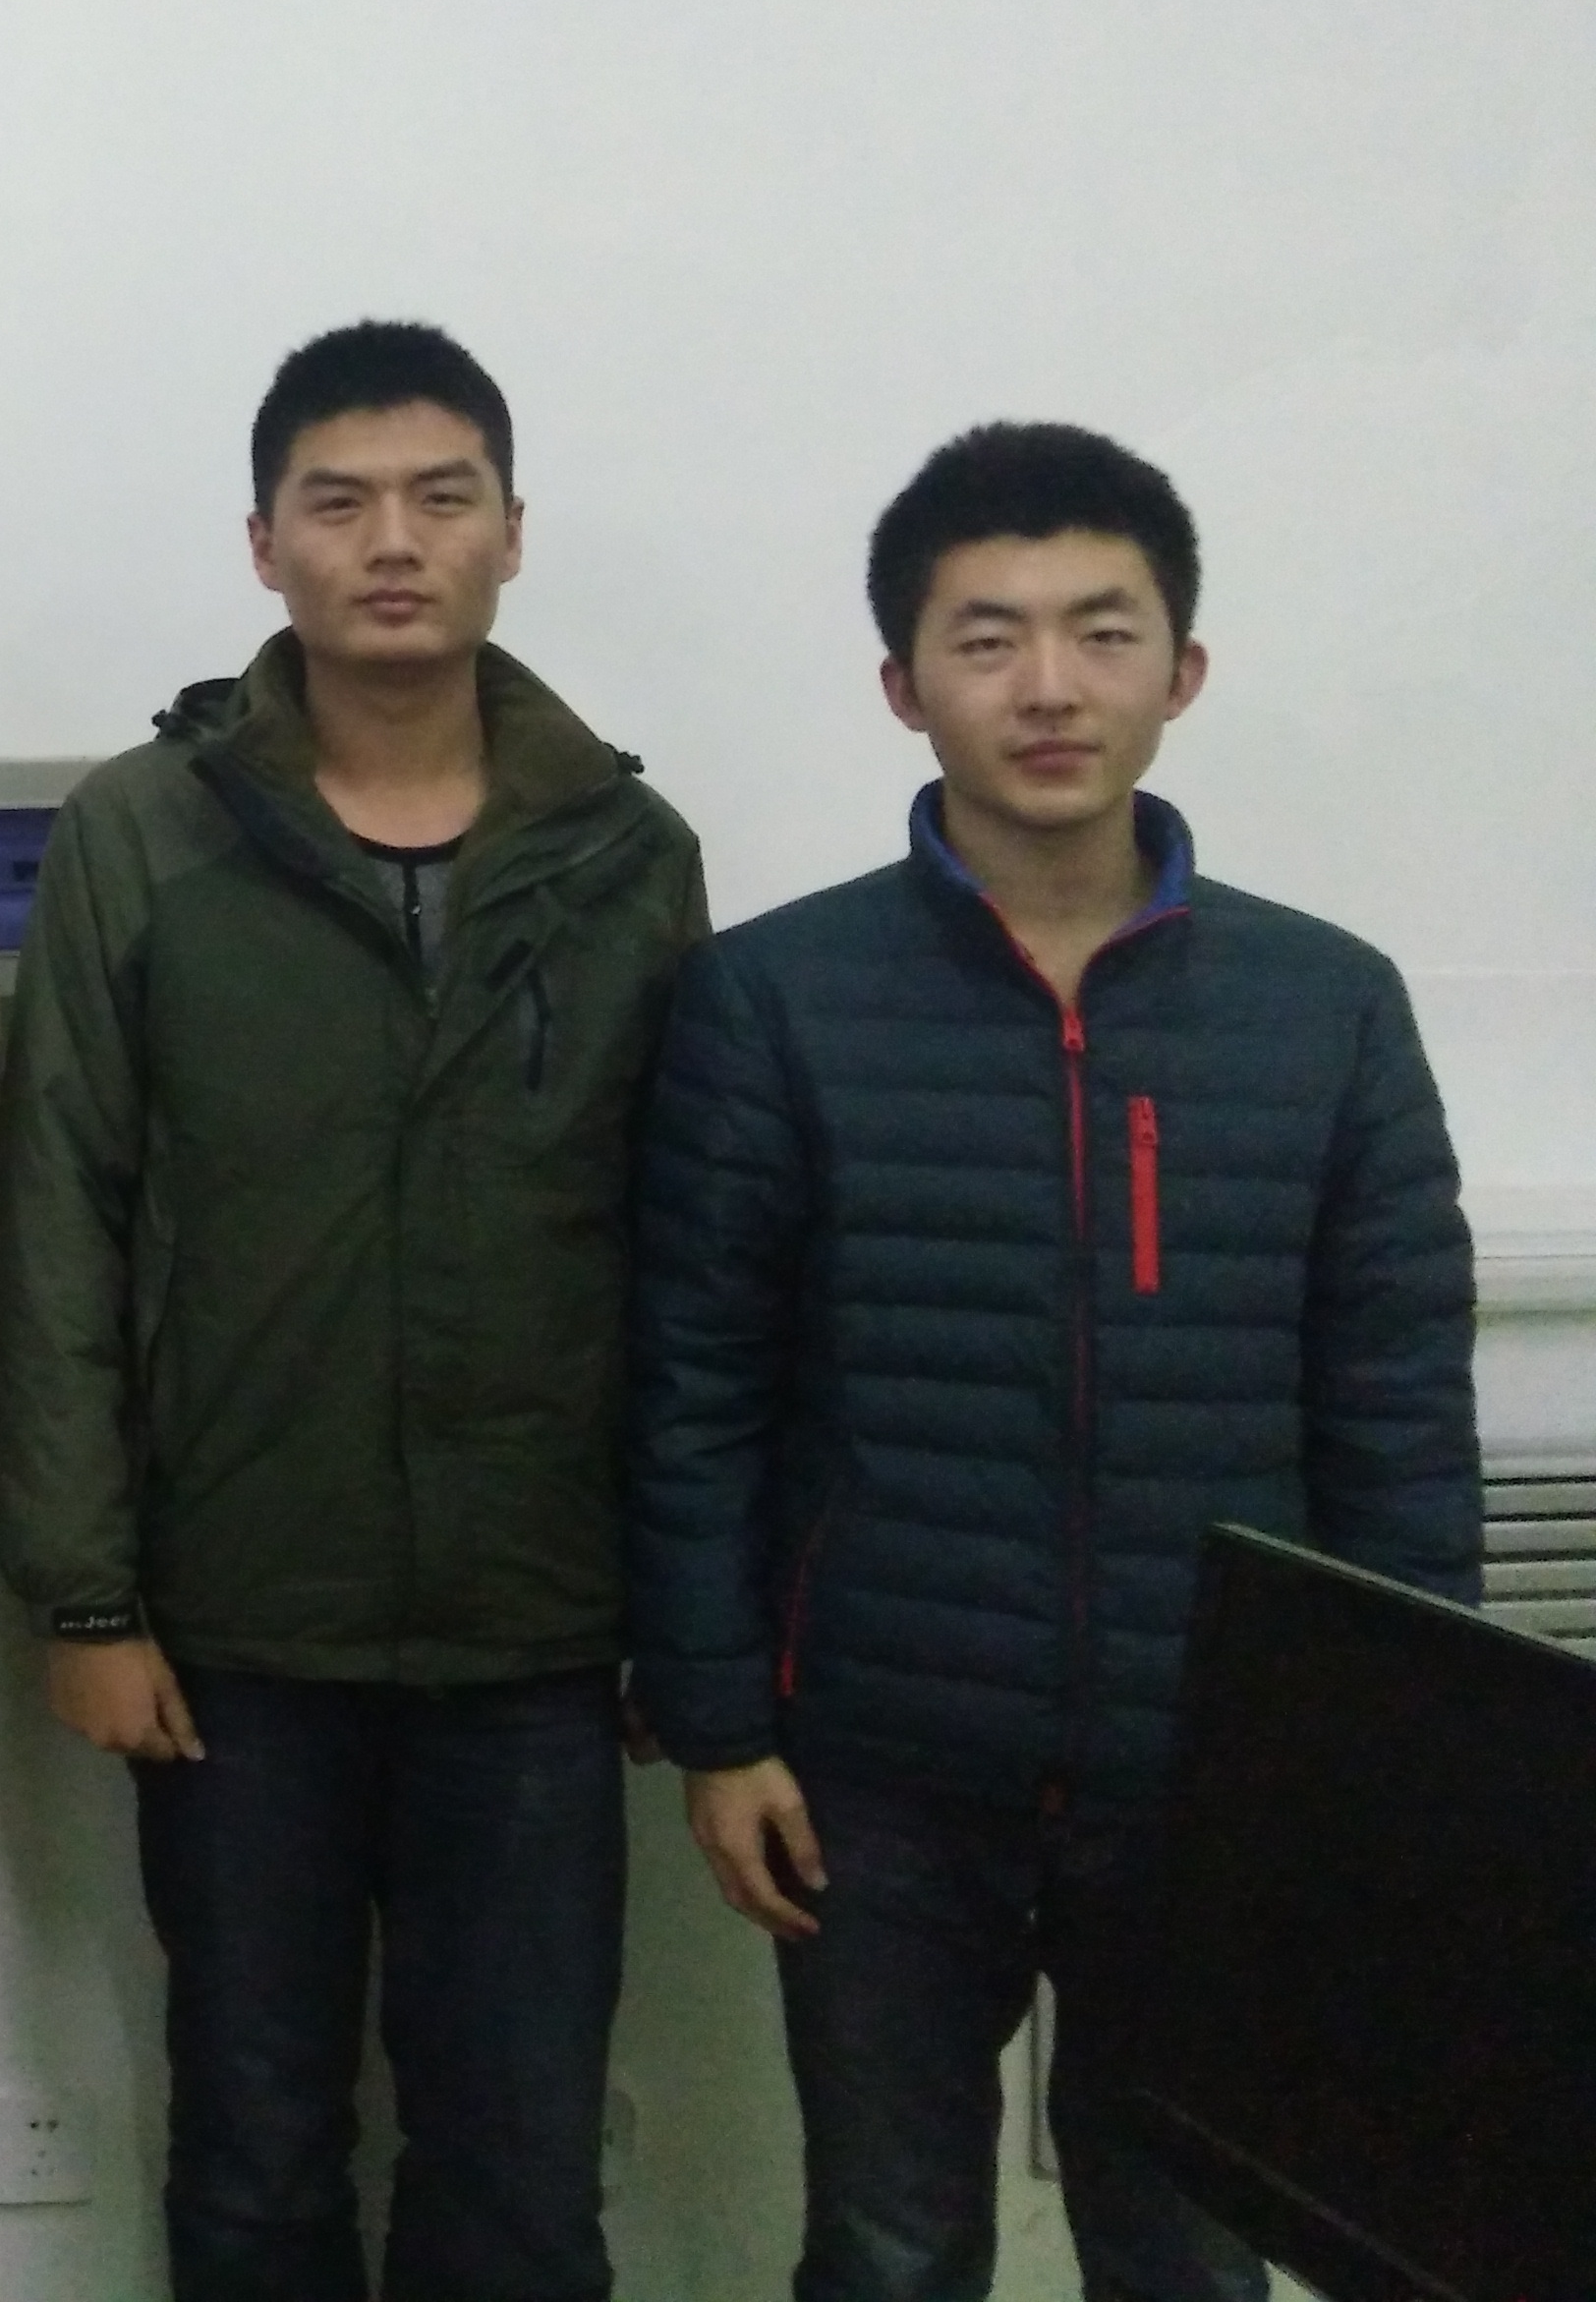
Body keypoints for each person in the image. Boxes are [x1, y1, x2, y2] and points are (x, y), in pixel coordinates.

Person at [628, 422, 1479, 2302]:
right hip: (876, 1770)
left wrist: (1394, 1760)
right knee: (889, 2245)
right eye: (988, 636)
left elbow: (1400, 1411)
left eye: (1101, 632)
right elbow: (697, 1394)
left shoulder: (1326, 1008)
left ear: (1182, 669)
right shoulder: (775, 1000)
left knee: (1190, 2256)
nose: (1048, 687)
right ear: (903, 685)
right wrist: (722, 1726)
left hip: (1217, 1772)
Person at [0, 319, 708, 2302]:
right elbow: (60, 1218)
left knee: (520, 2174)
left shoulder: (626, 856)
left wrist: (687, 1609)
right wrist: (84, 1595)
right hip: (236, 1637)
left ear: (509, 533)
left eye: (439, 497)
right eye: (340, 502)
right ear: (263, 545)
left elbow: (688, 1259)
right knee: (253, 2158)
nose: (393, 541)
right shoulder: (146, 833)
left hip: (537, 1637)